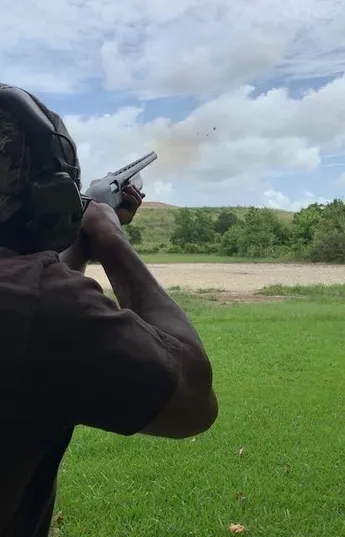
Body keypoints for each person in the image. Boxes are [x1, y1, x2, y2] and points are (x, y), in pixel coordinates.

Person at [0, 85, 218, 537]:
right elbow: (193, 402)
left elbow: (37, 324)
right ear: (51, 193)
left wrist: (74, 243)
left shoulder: (30, 304)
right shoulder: (38, 305)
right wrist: (109, 237)